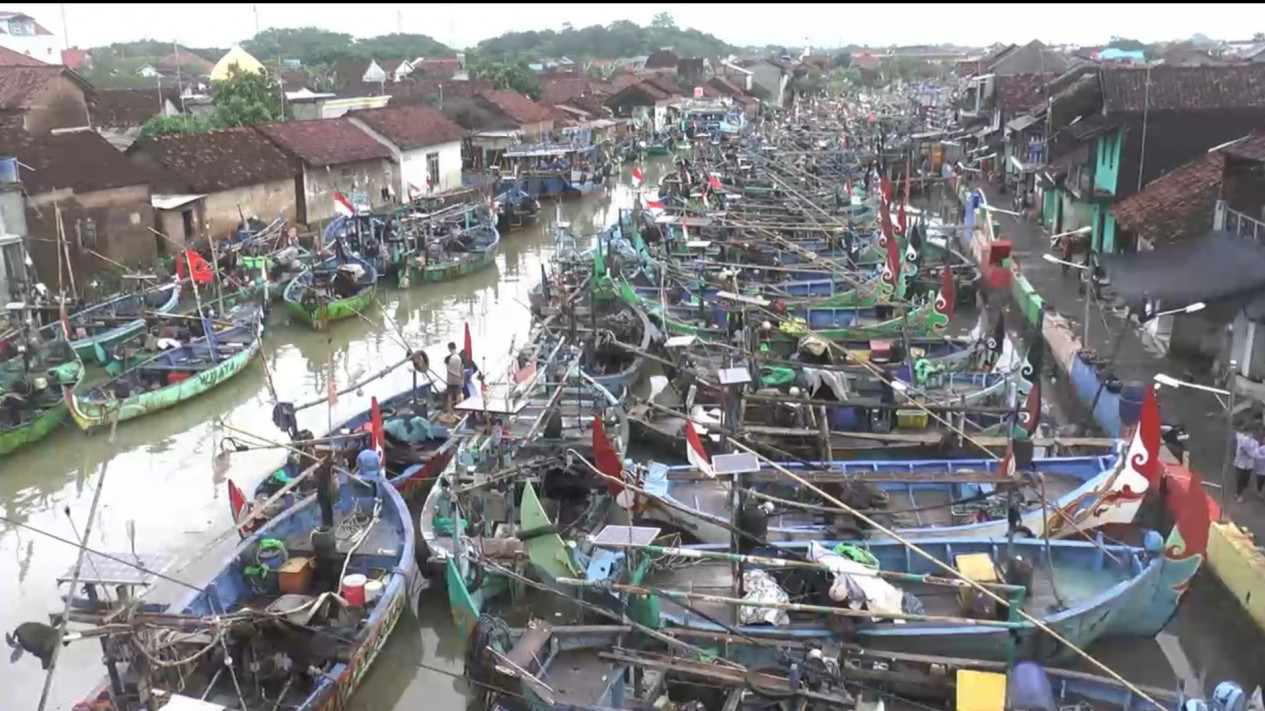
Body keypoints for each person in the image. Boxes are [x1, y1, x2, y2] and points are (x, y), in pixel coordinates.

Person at [1232, 428, 1262, 503]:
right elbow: (1235, 434)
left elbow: (1255, 454)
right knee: (1240, 479)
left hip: (1249, 465)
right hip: (1240, 464)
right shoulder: (1240, 438)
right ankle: (1239, 494)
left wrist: (1250, 453)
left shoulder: (1255, 443)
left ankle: (1243, 487)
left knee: (1246, 479)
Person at [444, 342, 464, 414]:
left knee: (449, 395)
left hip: (450, 380)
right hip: (457, 378)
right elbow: (461, 369)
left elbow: (448, 369)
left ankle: (449, 411)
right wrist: (461, 378)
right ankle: (458, 411)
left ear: (449, 348)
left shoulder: (450, 358)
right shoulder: (459, 358)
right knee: (458, 394)